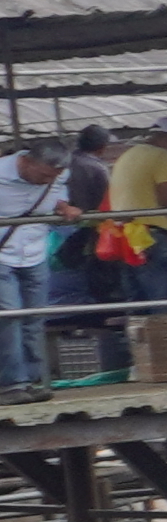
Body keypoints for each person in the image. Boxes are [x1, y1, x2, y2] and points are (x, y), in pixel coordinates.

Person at [0, 136, 64, 397]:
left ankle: (33, 380)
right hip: (3, 255)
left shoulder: (59, 177)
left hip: (35, 253)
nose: (47, 182)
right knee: (9, 316)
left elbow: (57, 198)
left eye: (53, 177)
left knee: (34, 317)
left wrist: (64, 207)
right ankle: (12, 382)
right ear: (25, 161)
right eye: (43, 175)